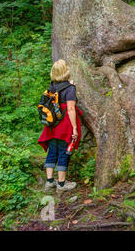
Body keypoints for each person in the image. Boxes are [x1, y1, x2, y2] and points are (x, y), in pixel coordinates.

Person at [38, 59, 83, 192]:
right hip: (64, 126)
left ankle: (50, 181)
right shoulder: (70, 89)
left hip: (52, 125)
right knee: (64, 152)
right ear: (66, 71)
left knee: (52, 151)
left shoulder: (51, 87)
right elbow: (70, 109)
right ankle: (62, 184)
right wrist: (74, 128)